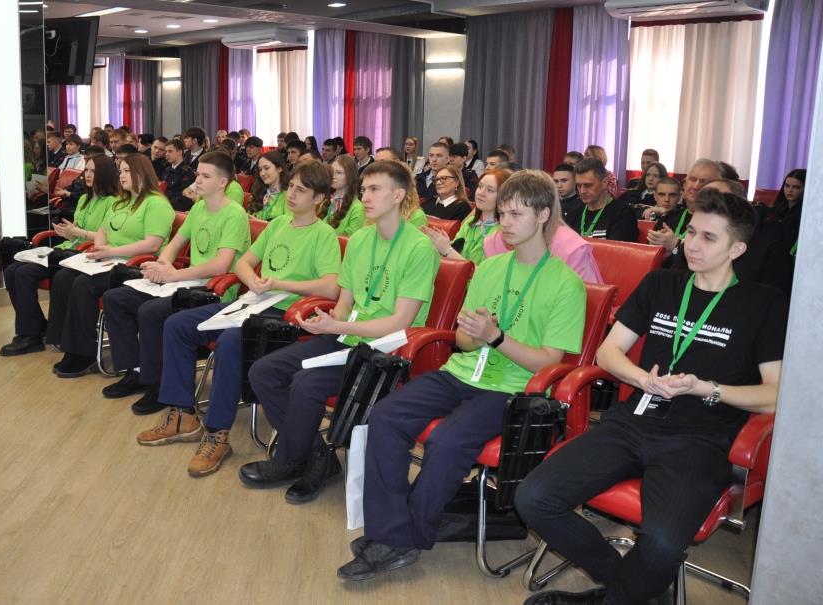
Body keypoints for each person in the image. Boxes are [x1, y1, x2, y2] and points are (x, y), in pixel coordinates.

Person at [516, 189, 787, 605]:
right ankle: (634, 589)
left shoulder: (763, 304)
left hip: (701, 438)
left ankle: (609, 599)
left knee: (660, 543)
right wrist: (642, 379)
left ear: (737, 249)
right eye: (691, 232)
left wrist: (707, 389)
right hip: (634, 420)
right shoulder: (662, 283)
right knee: (533, 498)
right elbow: (608, 352)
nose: (692, 244)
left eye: (708, 238)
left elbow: (774, 395)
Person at [337, 170, 586, 581]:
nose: (505, 223)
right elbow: (462, 341)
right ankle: (394, 533)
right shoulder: (490, 268)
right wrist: (475, 335)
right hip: (462, 372)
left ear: (543, 215)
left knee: (447, 441)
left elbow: (547, 363)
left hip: (511, 388)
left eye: (516, 214)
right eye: (502, 214)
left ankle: (401, 539)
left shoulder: (566, 284)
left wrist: (495, 336)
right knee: (386, 415)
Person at [238, 160, 440, 504]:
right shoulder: (360, 239)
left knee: (306, 384)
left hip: (384, 352)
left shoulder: (419, 248)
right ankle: (318, 456)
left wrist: (340, 325)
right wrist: (328, 321)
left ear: (398, 195)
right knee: (264, 371)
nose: (365, 198)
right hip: (347, 337)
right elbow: (344, 303)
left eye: (374, 190)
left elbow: (400, 323)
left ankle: (289, 460)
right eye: (363, 191)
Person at [137, 161, 342, 476]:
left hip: (287, 313)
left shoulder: (323, 234)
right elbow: (244, 263)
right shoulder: (278, 224)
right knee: (178, 325)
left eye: (301, 190)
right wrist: (253, 280)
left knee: (233, 340)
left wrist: (280, 284)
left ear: (319, 199)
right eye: (291, 186)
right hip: (254, 301)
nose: (291, 194)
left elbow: (330, 286)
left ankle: (217, 433)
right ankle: (183, 415)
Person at [100, 151, 251, 414]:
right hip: (187, 283)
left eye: (205, 176)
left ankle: (158, 384)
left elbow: (221, 265)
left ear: (223, 182)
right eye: (198, 174)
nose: (198, 180)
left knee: (151, 312)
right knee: (117, 298)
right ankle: (136, 370)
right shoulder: (199, 208)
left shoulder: (234, 214)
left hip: (213, 291)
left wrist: (174, 275)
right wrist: (162, 265)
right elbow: (175, 243)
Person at [46, 154, 175, 377]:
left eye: (127, 171)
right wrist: (100, 249)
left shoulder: (156, 203)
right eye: (120, 171)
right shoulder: (121, 201)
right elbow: (103, 231)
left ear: (142, 174)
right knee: (63, 277)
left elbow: (152, 244)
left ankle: (84, 353)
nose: (121, 176)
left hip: (135, 266)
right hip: (110, 261)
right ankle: (69, 346)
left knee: (83, 284)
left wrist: (111, 252)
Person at [0, 156, 117, 356]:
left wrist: (76, 232)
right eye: (87, 170)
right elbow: (77, 232)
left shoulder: (113, 202)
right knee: (11, 271)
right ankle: (36, 327)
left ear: (105, 174)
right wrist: (67, 232)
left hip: (83, 254)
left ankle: (30, 335)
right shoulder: (84, 199)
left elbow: (104, 236)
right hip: (68, 247)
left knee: (25, 273)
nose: (88, 175)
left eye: (93, 171)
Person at [423, 168, 507, 265]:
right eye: (480, 186)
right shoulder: (470, 222)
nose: (481, 193)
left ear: (504, 197)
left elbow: (485, 272)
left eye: (490, 190)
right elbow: (455, 249)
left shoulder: (504, 233)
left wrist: (447, 250)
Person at [646, 158, 722, 253]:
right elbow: (649, 252)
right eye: (692, 179)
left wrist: (675, 245)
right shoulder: (669, 217)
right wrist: (657, 246)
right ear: (685, 185)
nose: (696, 186)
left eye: (703, 182)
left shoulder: (720, 224)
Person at [564, 158, 638, 242]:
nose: (582, 191)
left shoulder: (623, 214)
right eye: (578, 185)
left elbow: (614, 248)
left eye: (588, 185)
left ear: (604, 183)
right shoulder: (573, 211)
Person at [756, 168, 805, 253]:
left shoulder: (804, 215)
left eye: (796, 187)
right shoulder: (773, 210)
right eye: (787, 186)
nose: (790, 190)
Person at [322, 154, 366, 237]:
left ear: (350, 176)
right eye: (332, 172)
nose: (333, 176)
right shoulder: (327, 201)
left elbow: (350, 240)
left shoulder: (357, 208)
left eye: (339, 173)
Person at [249, 150, 290, 220]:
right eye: (260, 170)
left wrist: (261, 223)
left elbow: (289, 223)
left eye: (266, 168)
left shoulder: (289, 195)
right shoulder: (258, 192)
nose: (262, 173)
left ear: (279, 168)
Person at [161, 139, 196, 211]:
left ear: (179, 152)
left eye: (170, 151)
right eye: (166, 151)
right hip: (163, 204)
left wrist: (166, 205)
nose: (167, 154)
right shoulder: (166, 170)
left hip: (175, 208)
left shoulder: (188, 172)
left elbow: (185, 197)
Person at [414, 142, 450, 207]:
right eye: (431, 155)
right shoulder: (418, 178)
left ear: (447, 159)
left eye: (439, 156)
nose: (434, 159)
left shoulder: (451, 181)